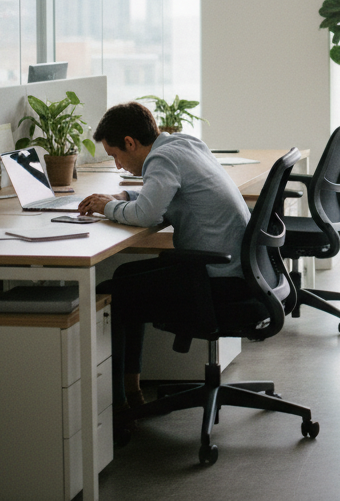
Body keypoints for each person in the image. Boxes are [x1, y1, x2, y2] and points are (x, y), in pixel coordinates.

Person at [77, 102, 251, 420]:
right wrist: (123, 197)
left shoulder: (161, 159)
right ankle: (132, 390)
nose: (117, 166)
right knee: (124, 275)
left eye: (116, 155)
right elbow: (162, 197)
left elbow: (147, 214)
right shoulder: (183, 143)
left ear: (130, 142)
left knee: (113, 293)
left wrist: (105, 207)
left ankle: (117, 406)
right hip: (237, 268)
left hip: (215, 277)